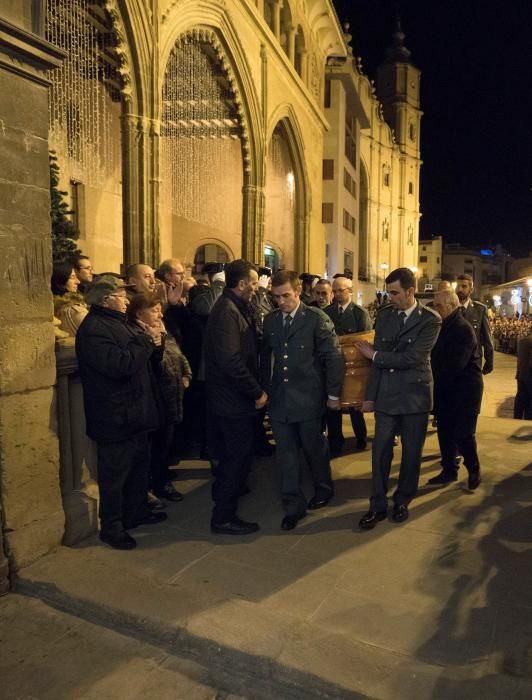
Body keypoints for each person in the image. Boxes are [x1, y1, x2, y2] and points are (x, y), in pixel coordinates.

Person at [76, 275, 167, 550]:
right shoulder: (94, 329)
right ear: (106, 299)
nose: (127, 299)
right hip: (115, 415)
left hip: (136, 411)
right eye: (121, 294)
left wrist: (156, 342)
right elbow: (119, 366)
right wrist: (146, 342)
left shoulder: (120, 323)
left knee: (139, 467)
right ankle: (112, 527)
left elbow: (145, 361)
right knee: (114, 475)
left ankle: (136, 512)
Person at [356, 267, 441, 529]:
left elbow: (412, 358)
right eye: (388, 292)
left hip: (415, 396)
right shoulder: (385, 317)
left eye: (394, 293)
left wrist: (375, 356)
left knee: (412, 452)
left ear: (410, 292)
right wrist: (370, 397)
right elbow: (379, 363)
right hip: (387, 396)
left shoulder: (430, 319)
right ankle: (377, 505)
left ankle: (403, 500)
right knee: (380, 451)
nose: (389, 297)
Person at [260, 270, 345, 530]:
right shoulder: (271, 321)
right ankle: (292, 505)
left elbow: (334, 358)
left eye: (286, 295)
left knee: (313, 447)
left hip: (308, 397)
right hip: (279, 399)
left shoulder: (315, 319)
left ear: (298, 292)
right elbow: (267, 358)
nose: (281, 301)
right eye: (276, 297)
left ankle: (323, 488)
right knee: (285, 454)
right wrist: (264, 390)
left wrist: (333, 395)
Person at [204, 259, 266, 535]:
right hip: (232, 400)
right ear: (242, 284)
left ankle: (225, 498)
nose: (256, 288)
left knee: (235, 455)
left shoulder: (235, 307)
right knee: (236, 457)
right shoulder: (227, 312)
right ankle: (223, 516)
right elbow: (231, 360)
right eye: (253, 283)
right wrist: (257, 391)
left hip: (232, 397)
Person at [127, 293, 192, 502]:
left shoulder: (162, 331)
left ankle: (161, 479)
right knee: (155, 446)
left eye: (159, 310)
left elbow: (178, 354)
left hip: (171, 394)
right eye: (154, 310)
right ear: (139, 313)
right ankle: (157, 484)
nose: (159, 314)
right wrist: (156, 343)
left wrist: (186, 373)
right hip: (155, 397)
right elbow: (156, 364)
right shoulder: (138, 334)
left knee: (165, 443)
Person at [428, 290, 483, 489]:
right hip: (446, 389)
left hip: (465, 391)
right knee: (445, 431)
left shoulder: (462, 329)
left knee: (463, 434)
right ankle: (449, 470)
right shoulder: (442, 326)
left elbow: (455, 365)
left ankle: (473, 469)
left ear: (452, 306)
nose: (435, 308)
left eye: (439, 306)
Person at [325, 276, 372, 456]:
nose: (336, 294)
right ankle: (335, 443)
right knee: (333, 406)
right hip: (332, 365)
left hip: (354, 367)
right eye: (334, 291)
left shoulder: (360, 314)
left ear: (350, 291)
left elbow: (365, 341)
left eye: (340, 290)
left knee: (354, 407)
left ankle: (361, 437)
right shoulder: (328, 312)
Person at [456, 274, 494, 375]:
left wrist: (489, 360)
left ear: (471, 290)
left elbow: (487, 338)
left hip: (473, 361)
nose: (459, 289)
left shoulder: (480, 310)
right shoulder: (450, 308)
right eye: (458, 286)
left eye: (464, 286)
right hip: (453, 361)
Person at [51, 261, 88, 336]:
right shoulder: (74, 310)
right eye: (72, 277)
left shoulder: (53, 307)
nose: (78, 282)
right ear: (61, 280)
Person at [514, 329, 532, 419]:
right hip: (530, 377)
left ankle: (516, 420)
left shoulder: (522, 341)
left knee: (520, 400)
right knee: (529, 402)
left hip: (521, 375)